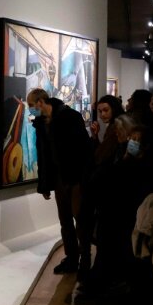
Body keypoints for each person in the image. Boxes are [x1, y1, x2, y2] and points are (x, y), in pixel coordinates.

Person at [27, 88, 94, 280]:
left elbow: (83, 149)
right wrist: (45, 185)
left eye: (31, 105)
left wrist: (83, 179)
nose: (31, 110)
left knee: (80, 220)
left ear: (41, 102)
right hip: (59, 180)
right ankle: (72, 258)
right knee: (65, 221)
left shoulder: (70, 116)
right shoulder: (40, 124)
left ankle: (86, 262)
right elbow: (43, 155)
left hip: (75, 178)